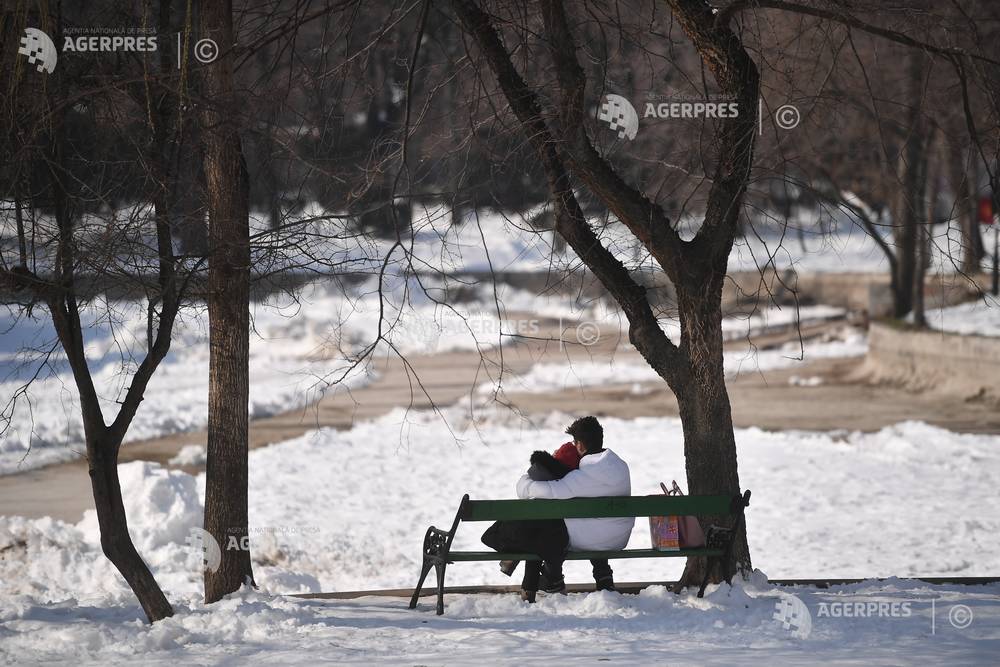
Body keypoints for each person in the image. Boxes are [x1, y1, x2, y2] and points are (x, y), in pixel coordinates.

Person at [482, 416, 633, 602]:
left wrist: (525, 480)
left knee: (542, 521)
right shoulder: (620, 467)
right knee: (548, 525)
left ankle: (549, 579)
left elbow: (537, 491)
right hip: (618, 537)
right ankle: (579, 577)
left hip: (590, 539)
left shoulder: (581, 477)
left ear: (579, 446)